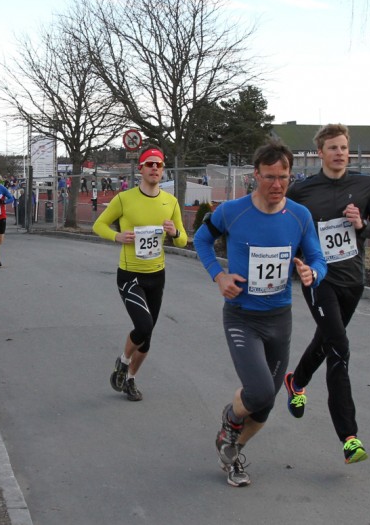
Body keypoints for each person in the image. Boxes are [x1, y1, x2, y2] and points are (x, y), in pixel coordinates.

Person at [193, 140, 327, 487]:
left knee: (265, 407)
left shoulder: (299, 215)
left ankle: (232, 450)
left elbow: (317, 258)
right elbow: (201, 240)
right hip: (242, 316)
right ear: (255, 175)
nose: (277, 184)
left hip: (279, 319)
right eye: (270, 177)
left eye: (284, 176)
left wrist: (313, 273)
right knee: (259, 393)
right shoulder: (232, 211)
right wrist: (218, 275)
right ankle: (229, 419)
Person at [283, 123, 370, 465]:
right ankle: (349, 438)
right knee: (339, 348)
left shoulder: (366, 185)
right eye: (333, 148)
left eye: (344, 147)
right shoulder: (302, 191)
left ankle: (296, 381)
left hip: (352, 281)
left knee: (329, 338)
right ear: (320, 153)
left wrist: (362, 225)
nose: (340, 153)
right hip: (318, 279)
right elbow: (284, 224)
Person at [92, 146, 187, 402]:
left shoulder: (171, 202)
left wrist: (175, 233)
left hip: (157, 275)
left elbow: (182, 240)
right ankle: (123, 362)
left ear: (163, 169)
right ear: (141, 169)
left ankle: (131, 379)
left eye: (159, 165)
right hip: (130, 275)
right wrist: (117, 236)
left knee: (146, 337)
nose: (154, 168)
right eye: (150, 164)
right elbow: (98, 224)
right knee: (143, 325)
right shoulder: (125, 199)